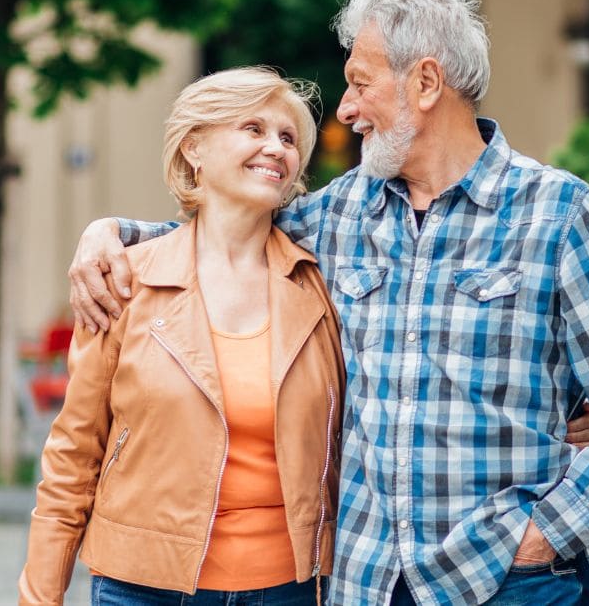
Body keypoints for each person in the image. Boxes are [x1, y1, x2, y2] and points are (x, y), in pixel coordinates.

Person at [70, 0, 589, 605]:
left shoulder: (557, 215)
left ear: (425, 83)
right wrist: (112, 234)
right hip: (366, 581)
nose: (344, 109)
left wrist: (550, 534)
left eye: (360, 83)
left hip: (511, 582)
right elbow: (223, 232)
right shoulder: (338, 215)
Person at [19, 67, 347, 605]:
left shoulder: (320, 285)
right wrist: (40, 596)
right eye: (253, 128)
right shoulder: (123, 282)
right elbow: (73, 456)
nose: (276, 148)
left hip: (290, 587)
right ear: (194, 147)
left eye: (288, 138)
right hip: (144, 587)